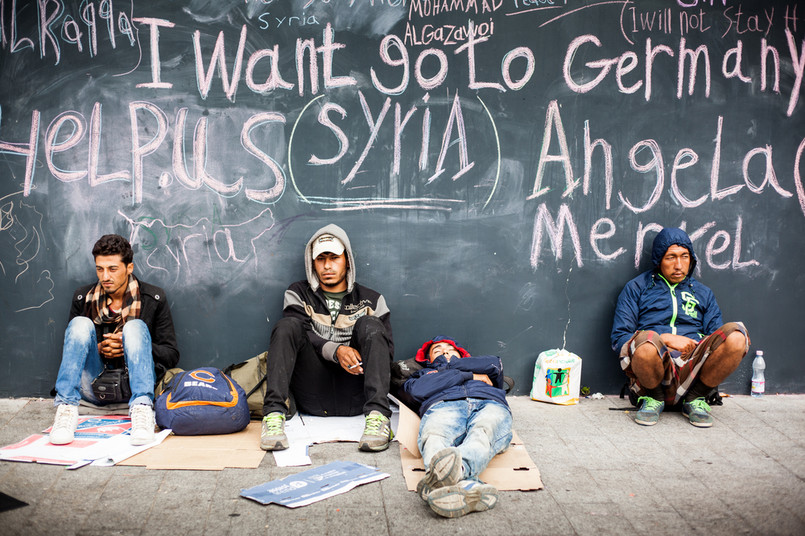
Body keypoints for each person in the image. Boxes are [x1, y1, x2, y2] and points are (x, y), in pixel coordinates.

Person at [260, 224, 394, 452]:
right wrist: (336, 350)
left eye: (334, 258)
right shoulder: (298, 293)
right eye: (320, 259)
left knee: (370, 324)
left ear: (347, 261)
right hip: (312, 392)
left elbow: (386, 355)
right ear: (312, 263)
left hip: (356, 392)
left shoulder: (372, 300)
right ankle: (273, 415)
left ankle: (378, 417)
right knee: (287, 325)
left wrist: (355, 355)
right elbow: (301, 332)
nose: (327, 265)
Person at [611, 227, 750, 428]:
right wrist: (664, 338)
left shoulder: (703, 293)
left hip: (693, 368)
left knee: (736, 336)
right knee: (646, 342)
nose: (678, 265)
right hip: (655, 369)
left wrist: (698, 344)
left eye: (684, 257)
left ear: (691, 259)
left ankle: (695, 399)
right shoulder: (636, 288)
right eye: (671, 258)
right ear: (659, 260)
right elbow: (620, 338)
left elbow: (718, 341)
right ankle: (653, 399)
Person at [50, 234, 179, 446]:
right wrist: (99, 348)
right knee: (80, 325)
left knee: (135, 327)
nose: (105, 276)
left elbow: (171, 354)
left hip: (134, 383)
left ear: (129, 268)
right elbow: (74, 348)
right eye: (100, 269)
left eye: (112, 269)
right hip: (92, 385)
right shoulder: (83, 298)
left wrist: (127, 347)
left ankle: (142, 409)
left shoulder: (153, 299)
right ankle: (66, 410)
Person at [403, 336, 512, 518]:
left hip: (488, 402)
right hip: (444, 404)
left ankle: (447, 477)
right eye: (437, 350)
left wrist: (451, 366)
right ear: (428, 360)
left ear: (461, 354)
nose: (445, 351)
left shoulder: (479, 363)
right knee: (435, 435)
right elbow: (417, 391)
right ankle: (468, 485)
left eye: (450, 349)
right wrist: (468, 375)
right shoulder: (423, 374)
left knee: (483, 432)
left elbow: (494, 364)